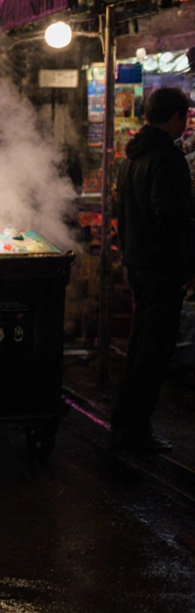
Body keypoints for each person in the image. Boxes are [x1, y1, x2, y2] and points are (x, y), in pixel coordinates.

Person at [112, 86, 193, 455]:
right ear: (175, 116)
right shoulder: (167, 159)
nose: (187, 123)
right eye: (186, 116)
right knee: (154, 348)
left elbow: (124, 214)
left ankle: (125, 422)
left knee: (142, 342)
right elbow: (171, 217)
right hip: (162, 267)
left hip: (138, 263)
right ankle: (135, 429)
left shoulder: (131, 158)